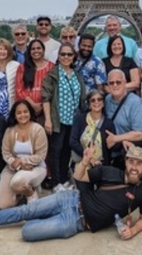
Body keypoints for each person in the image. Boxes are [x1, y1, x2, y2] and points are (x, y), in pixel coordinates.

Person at [0, 145, 142, 241]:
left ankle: (37, 212)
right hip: (69, 199)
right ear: (126, 162)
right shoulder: (110, 172)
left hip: (75, 222)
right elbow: (79, 177)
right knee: (24, 212)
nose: (134, 166)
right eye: (131, 161)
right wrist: (84, 162)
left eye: (139, 163)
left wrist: (133, 231)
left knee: (27, 232)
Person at [42, 43, 87, 190]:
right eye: (63, 54)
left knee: (67, 151)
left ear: (74, 57)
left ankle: (62, 179)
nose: (66, 57)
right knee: (56, 151)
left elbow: (82, 98)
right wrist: (48, 119)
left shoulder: (77, 75)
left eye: (69, 54)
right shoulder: (53, 74)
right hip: (58, 119)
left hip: (73, 120)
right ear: (58, 56)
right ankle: (55, 182)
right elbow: (46, 97)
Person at [0, 100, 48, 208]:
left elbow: (41, 155)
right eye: (19, 113)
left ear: (30, 113)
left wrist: (22, 161)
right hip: (13, 166)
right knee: (4, 204)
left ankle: (30, 193)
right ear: (14, 116)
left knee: (17, 182)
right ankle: (21, 194)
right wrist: (18, 165)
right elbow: (5, 153)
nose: (23, 115)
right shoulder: (9, 131)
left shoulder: (38, 129)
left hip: (35, 166)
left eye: (25, 111)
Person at [104, 70, 142, 169]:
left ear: (125, 83)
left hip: (127, 147)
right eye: (111, 83)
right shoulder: (107, 99)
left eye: (118, 82)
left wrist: (117, 139)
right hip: (111, 145)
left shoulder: (136, 103)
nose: (115, 85)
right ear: (107, 85)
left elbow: (140, 134)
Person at [70, 89, 115, 165]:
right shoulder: (80, 119)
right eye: (93, 100)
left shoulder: (108, 123)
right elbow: (72, 141)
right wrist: (88, 157)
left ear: (103, 103)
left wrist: (122, 140)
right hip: (82, 163)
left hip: (101, 166)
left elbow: (112, 146)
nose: (96, 102)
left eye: (99, 99)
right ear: (89, 104)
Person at [15, 39, 54, 122]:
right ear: (29, 51)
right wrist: (33, 105)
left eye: (38, 48)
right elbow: (19, 90)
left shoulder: (52, 67)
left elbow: (54, 89)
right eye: (33, 49)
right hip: (27, 111)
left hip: (48, 111)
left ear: (43, 50)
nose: (36, 51)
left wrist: (44, 105)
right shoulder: (22, 67)